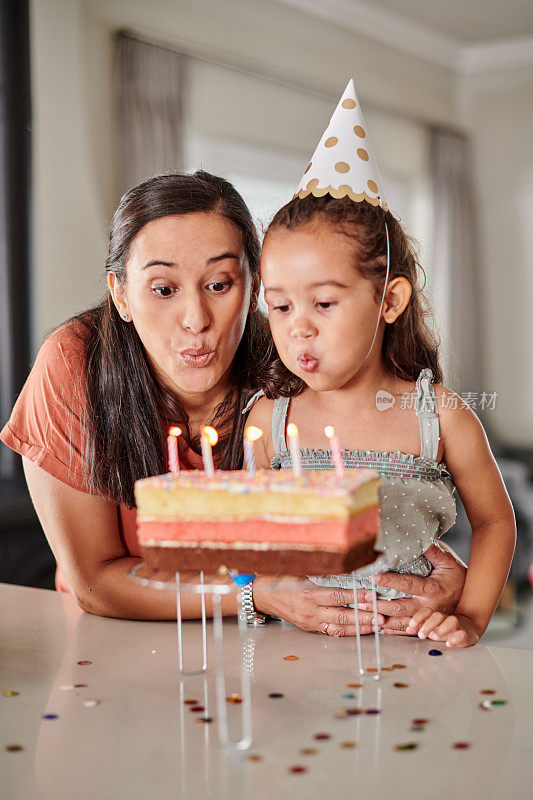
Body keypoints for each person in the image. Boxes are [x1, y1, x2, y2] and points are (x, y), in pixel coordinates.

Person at [1, 170, 465, 631]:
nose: (195, 319)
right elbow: (95, 582)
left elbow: (378, 508)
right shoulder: (76, 363)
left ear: (254, 288)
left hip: (281, 648)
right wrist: (256, 593)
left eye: (220, 284)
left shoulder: (296, 369)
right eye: (164, 290)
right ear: (121, 295)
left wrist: (434, 580)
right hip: (115, 636)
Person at [247, 188, 516, 647]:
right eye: (281, 306)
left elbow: (495, 522)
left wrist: (470, 617)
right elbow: (245, 539)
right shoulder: (270, 418)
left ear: (389, 301)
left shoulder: (441, 417)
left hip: (408, 654)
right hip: (290, 659)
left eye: (324, 303)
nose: (298, 327)